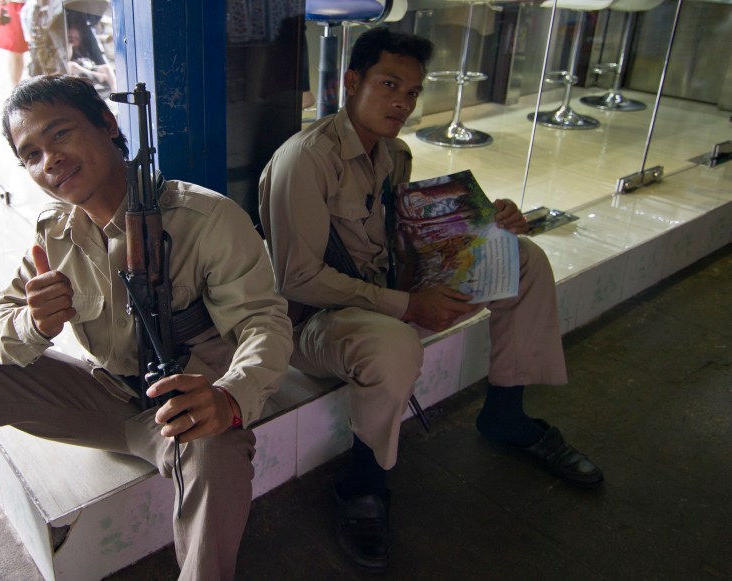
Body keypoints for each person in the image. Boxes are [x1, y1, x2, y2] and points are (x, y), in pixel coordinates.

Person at [0, 75, 293, 581]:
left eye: (60, 134)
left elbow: (264, 324)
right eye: (31, 154)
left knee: (217, 448)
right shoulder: (57, 231)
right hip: (105, 399)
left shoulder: (206, 219)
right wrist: (33, 323)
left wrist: (230, 397)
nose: (50, 160)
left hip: (186, 409)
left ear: (107, 124)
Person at [258, 27, 603, 574]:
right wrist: (407, 305)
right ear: (352, 82)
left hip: (389, 296)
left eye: (413, 92)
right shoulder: (305, 160)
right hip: (317, 324)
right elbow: (298, 279)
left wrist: (487, 228)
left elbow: (405, 242)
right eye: (390, 85)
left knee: (525, 260)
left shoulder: (393, 154)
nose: (403, 102)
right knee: (393, 341)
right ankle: (364, 485)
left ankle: (506, 415)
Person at [0, 0, 28, 88]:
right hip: (13, 5)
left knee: (44, 48)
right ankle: (15, 88)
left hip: (41, 4)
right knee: (16, 48)